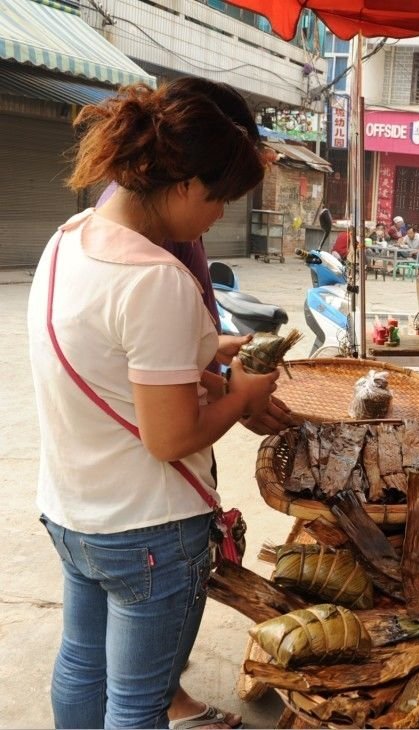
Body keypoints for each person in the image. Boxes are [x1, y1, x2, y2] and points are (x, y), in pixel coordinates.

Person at [27, 77, 281, 730]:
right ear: (188, 184)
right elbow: (170, 439)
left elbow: (109, 352)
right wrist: (246, 393)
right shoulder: (156, 278)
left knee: (83, 666)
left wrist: (209, 344)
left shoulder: (69, 239)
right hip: (146, 530)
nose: (218, 217)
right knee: (138, 704)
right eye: (219, 200)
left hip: (73, 513)